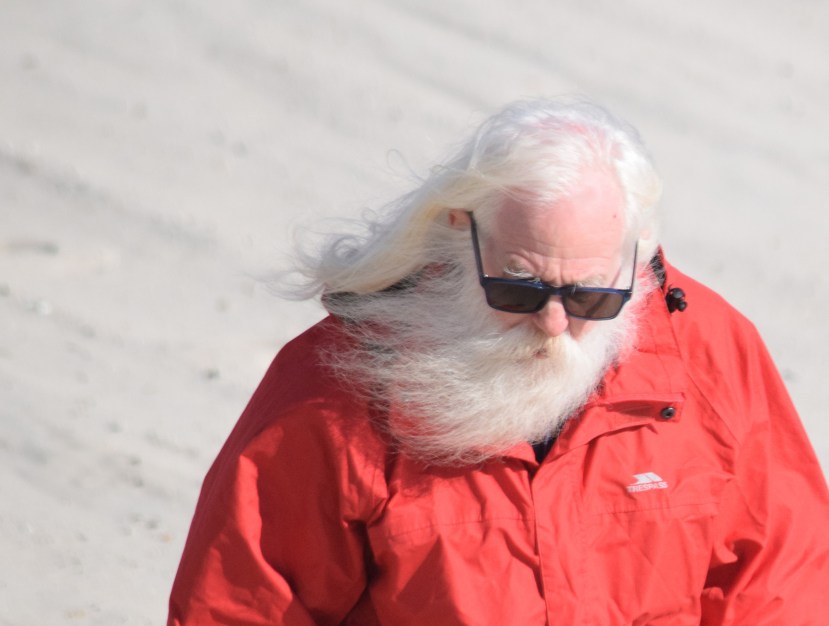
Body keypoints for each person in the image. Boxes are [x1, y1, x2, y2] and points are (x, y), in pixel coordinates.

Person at [168, 99, 829, 625]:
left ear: (639, 252)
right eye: (519, 287)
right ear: (461, 229)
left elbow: (787, 575)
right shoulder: (336, 389)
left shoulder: (710, 353)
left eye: (592, 295)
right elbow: (238, 606)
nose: (552, 322)